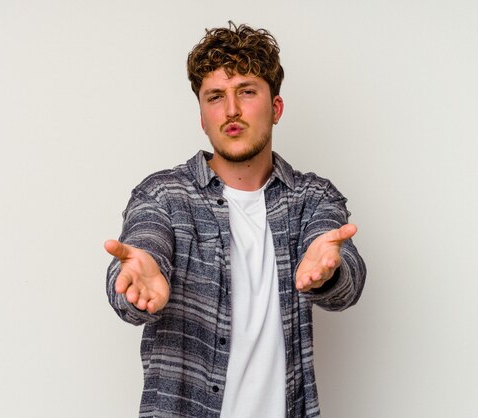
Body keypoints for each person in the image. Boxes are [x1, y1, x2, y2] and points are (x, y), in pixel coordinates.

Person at [104, 22, 366, 418]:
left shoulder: (313, 198)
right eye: (215, 97)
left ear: (275, 108)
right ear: (202, 118)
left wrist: (329, 272)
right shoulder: (163, 195)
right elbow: (139, 254)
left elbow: (346, 283)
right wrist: (136, 281)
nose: (231, 110)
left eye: (246, 92)